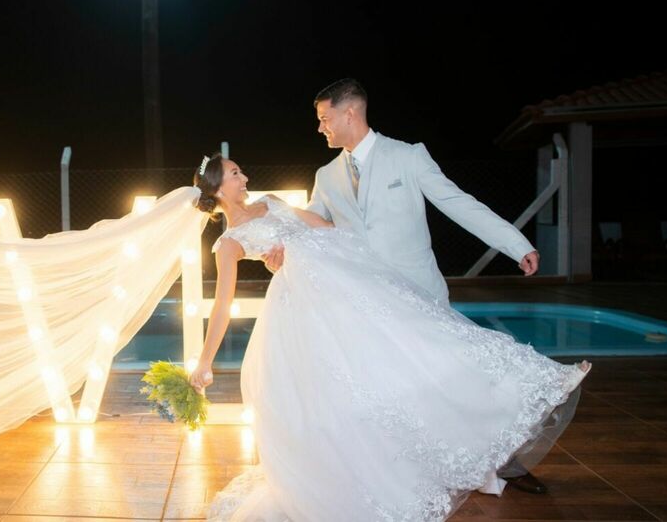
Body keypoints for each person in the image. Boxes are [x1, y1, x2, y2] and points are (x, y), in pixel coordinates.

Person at [187, 153, 590, 521]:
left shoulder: (272, 201)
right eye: (236, 173)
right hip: (304, 308)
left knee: (409, 352)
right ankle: (363, 475)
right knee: (339, 390)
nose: (244, 176)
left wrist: (299, 245)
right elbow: (222, 305)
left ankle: (485, 421)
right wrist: (205, 363)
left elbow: (324, 226)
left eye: (241, 169)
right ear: (219, 188)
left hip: (347, 285)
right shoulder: (228, 244)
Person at [262, 77, 548, 494]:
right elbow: (311, 226)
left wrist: (515, 243)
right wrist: (282, 246)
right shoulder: (326, 176)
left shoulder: (408, 157)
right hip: (367, 306)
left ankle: (505, 463)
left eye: (325, 119)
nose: (320, 128)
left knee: (456, 382)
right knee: (386, 392)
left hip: (421, 296)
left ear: (350, 113)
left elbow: (459, 204)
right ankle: (405, 474)